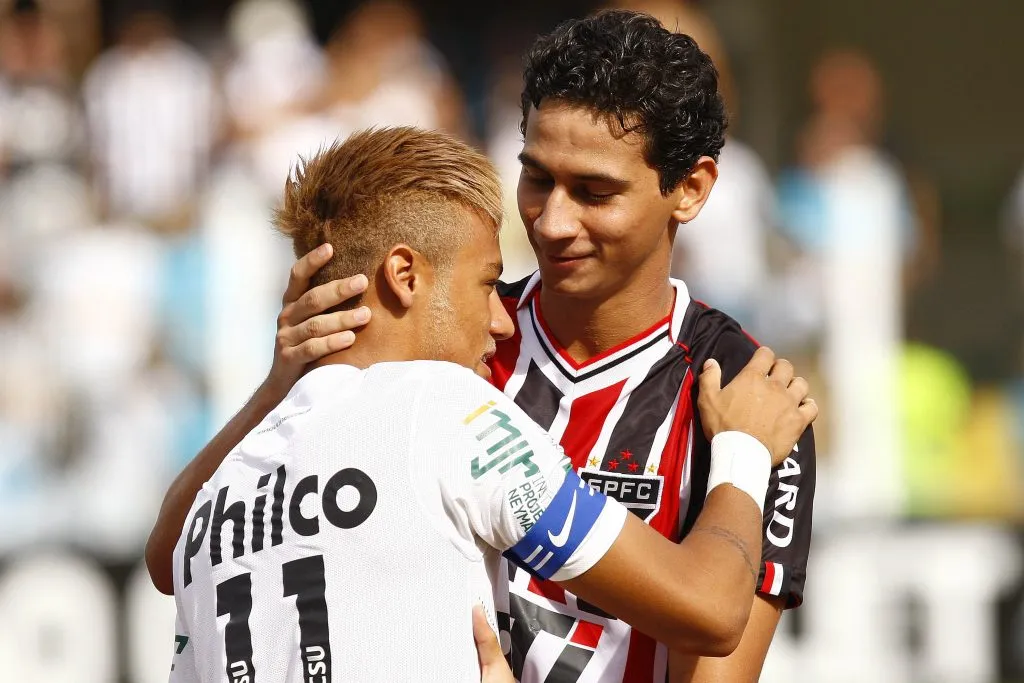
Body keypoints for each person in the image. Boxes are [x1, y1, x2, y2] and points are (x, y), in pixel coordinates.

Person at [148, 10, 818, 683]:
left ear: (691, 189)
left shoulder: (746, 400)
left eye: (594, 192)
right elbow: (179, 556)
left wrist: (745, 452)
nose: (553, 221)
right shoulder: (445, 350)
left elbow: (716, 652)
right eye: (536, 178)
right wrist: (280, 388)